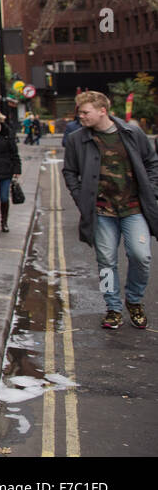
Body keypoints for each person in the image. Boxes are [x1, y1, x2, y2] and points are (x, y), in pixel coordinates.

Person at [62, 90, 157, 330]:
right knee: (106, 262)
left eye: (85, 112)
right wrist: (80, 197)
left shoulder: (132, 133)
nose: (80, 116)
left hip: (134, 209)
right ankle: (113, 307)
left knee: (141, 256)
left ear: (102, 110)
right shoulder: (76, 139)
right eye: (79, 112)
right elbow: (70, 172)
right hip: (101, 212)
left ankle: (134, 300)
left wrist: (152, 190)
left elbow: (152, 162)